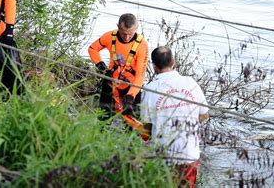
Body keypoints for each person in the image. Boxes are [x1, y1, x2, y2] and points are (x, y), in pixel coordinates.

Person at [141, 46, 209, 188]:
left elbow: (146, 126)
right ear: (174, 61)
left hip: (163, 155)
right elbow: (204, 114)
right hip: (189, 153)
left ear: (153, 66)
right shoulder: (191, 83)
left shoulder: (149, 89)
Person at [88, 13, 148, 117]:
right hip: (110, 82)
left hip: (131, 86)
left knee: (132, 124)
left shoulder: (142, 45)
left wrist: (131, 95)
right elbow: (92, 49)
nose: (127, 37)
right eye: (123, 33)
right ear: (118, 26)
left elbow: (140, 75)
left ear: (136, 28)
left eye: (130, 33)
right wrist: (101, 66)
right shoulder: (109, 36)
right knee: (103, 118)